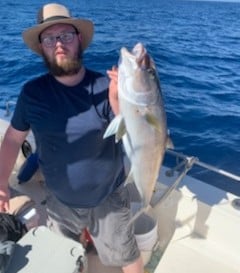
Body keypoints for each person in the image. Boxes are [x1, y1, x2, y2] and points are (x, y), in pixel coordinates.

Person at [0, 3, 144, 273]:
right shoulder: (32, 93)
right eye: (49, 38)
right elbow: (12, 139)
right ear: (41, 47)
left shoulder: (105, 86)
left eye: (65, 35)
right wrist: (0, 183)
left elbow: (131, 135)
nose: (58, 44)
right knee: (61, 258)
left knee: (127, 255)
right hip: (58, 200)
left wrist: (118, 102)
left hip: (108, 199)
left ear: (79, 40)